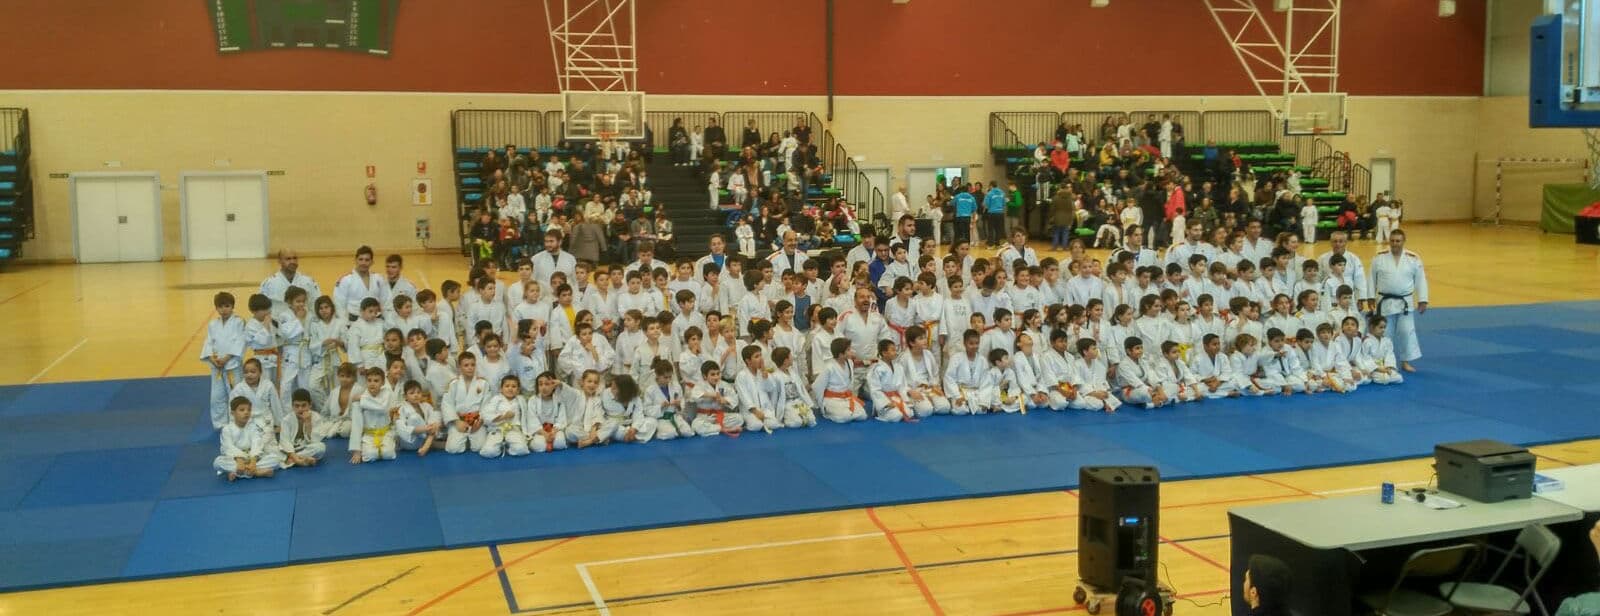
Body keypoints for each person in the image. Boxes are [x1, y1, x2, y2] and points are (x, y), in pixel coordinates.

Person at [1368, 229, 1427, 372]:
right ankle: (1383, 361)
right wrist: (1370, 297)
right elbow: (1371, 278)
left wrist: (1423, 299)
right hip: (1384, 301)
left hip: (1405, 302)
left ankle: (1405, 361)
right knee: (1385, 333)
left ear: (1403, 241)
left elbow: (1420, 280)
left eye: (1398, 241)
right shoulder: (1379, 257)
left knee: (1406, 331)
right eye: (1392, 240)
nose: (1395, 243)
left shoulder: (1413, 258)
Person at [202, 292, 247, 430]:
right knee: (217, 396)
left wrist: (227, 358)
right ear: (216, 308)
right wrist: (212, 358)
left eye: (227, 306)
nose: (224, 309)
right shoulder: (212, 324)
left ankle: (237, 422)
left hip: (232, 365)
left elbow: (240, 341)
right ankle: (220, 424)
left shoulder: (239, 322)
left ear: (232, 306)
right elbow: (208, 343)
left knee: (235, 394)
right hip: (217, 366)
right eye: (220, 307)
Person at [214, 397, 279, 481]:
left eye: (249, 410)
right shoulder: (227, 429)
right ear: (232, 413)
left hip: (252, 458)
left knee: (276, 459)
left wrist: (253, 461)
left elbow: (257, 444)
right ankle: (256, 472)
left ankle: (238, 473)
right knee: (217, 462)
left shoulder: (253, 427)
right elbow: (228, 447)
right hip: (235, 460)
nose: (246, 412)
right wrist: (239, 459)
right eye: (242, 410)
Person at [349, 367, 398, 464]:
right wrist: (357, 451)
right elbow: (356, 426)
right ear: (365, 382)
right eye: (369, 380)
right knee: (370, 455)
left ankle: (389, 444)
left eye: (376, 381)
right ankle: (364, 448)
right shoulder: (358, 402)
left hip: (385, 432)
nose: (372, 383)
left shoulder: (387, 394)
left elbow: (382, 407)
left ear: (383, 383)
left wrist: (362, 399)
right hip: (369, 435)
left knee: (388, 454)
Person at [259, 249, 322, 318]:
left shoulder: (308, 281)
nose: (292, 261)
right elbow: (261, 308)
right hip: (277, 325)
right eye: (288, 259)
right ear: (279, 261)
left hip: (303, 324)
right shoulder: (269, 283)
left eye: (295, 258)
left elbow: (317, 304)